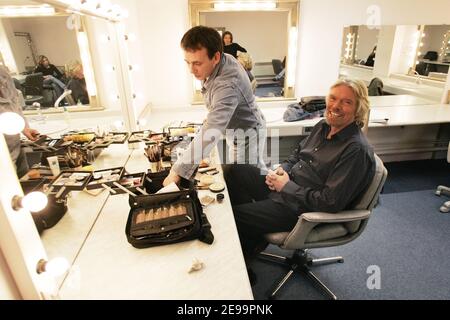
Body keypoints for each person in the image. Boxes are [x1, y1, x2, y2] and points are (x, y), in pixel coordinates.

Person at [224, 78, 376, 280]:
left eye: (346, 102)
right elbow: (296, 155)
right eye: (333, 98)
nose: (336, 106)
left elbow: (329, 202)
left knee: (232, 217)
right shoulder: (323, 126)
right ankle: (252, 239)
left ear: (358, 109)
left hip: (300, 209)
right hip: (286, 187)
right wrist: (282, 171)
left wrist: (286, 187)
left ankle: (243, 260)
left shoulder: (355, 150)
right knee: (236, 170)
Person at [163, 26, 266, 187]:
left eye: (197, 63)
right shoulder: (222, 61)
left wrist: (176, 171)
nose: (191, 70)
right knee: (243, 176)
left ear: (216, 57)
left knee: (249, 181)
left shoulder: (227, 83)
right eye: (187, 62)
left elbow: (213, 127)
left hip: (247, 134)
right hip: (237, 130)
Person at [0, 65, 40, 178]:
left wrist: (25, 128)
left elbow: (15, 108)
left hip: (16, 146)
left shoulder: (3, 74)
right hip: (3, 155)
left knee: (25, 183)